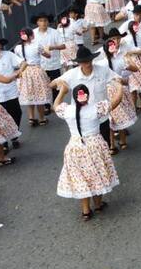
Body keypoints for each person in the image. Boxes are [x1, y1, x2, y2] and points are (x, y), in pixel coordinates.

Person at [52, 83, 121, 221]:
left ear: (74, 97)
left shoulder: (68, 111)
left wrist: (62, 92)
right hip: (95, 145)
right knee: (97, 174)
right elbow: (116, 101)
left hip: (75, 146)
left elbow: (55, 106)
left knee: (81, 178)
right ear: (87, 96)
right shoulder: (96, 108)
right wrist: (119, 87)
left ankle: (85, 210)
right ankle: (98, 204)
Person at [54, 46, 124, 144]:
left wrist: (118, 83)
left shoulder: (103, 70)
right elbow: (53, 84)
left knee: (105, 144)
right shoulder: (71, 74)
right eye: (84, 61)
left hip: (101, 116)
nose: (88, 63)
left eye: (89, 60)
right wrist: (60, 84)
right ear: (79, 63)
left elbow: (118, 80)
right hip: (81, 119)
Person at [14, 28, 52, 127]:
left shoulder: (17, 48)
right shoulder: (37, 45)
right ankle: (42, 118)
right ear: (31, 36)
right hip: (36, 71)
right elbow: (48, 56)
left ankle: (31, 117)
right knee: (38, 94)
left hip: (24, 72)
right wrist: (47, 49)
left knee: (30, 94)